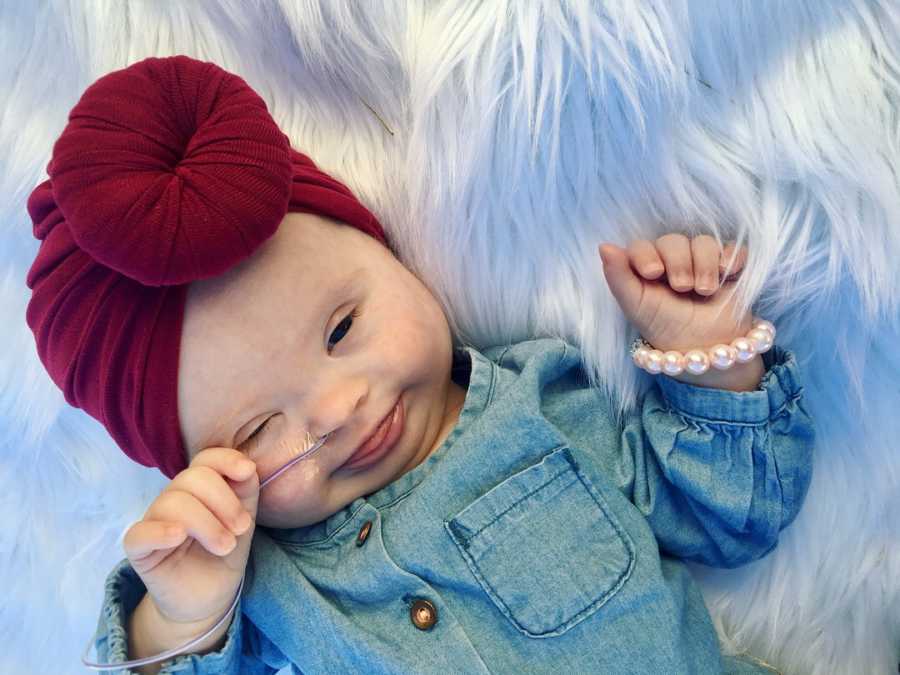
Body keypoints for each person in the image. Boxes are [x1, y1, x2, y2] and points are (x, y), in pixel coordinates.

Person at [25, 55, 813, 674]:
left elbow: (731, 515)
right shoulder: (269, 589)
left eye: (342, 328)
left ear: (393, 257)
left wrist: (708, 354)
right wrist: (182, 615)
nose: (337, 409)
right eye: (260, 426)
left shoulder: (538, 402)